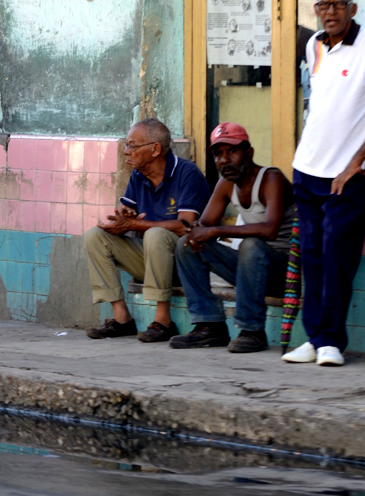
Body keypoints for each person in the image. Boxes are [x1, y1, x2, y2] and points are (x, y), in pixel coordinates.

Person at [283, 0, 365, 367]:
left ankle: (332, 340)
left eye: (338, 4)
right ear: (316, 10)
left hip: (349, 174)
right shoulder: (314, 44)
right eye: (324, 5)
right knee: (312, 256)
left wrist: (357, 161)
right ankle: (314, 338)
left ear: (353, 9)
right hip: (308, 169)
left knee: (337, 254)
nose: (330, 11)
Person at [171, 122, 295, 352]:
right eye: (218, 154)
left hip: (285, 271)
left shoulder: (271, 178)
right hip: (251, 271)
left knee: (251, 245)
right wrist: (197, 231)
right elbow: (205, 224)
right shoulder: (226, 184)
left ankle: (252, 330)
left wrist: (215, 231)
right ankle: (210, 325)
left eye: (232, 151)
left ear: (249, 153)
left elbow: (270, 230)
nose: (224, 160)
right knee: (186, 245)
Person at [83, 119, 210, 342]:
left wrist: (136, 225)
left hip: (185, 265)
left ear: (155, 149)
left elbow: (185, 226)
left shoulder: (187, 173)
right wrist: (122, 223)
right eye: (126, 145)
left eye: (132, 145)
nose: (126, 152)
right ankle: (122, 318)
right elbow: (131, 218)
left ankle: (163, 321)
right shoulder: (138, 176)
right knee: (95, 236)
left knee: (156, 234)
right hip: (153, 262)